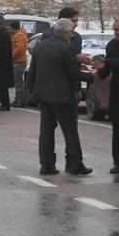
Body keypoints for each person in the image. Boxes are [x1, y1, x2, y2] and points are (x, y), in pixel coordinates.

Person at [26, 18, 92, 176]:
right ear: (65, 32)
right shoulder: (67, 48)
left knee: (46, 131)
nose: (72, 36)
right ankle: (75, 163)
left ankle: (46, 164)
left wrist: (32, 91)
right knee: (70, 131)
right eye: (71, 33)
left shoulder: (40, 46)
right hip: (62, 96)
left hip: (43, 95)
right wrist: (93, 77)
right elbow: (73, 74)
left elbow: (33, 72)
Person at [94, 18, 119, 175]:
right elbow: (107, 68)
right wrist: (95, 75)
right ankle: (118, 163)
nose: (115, 33)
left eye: (117, 30)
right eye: (113, 30)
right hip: (117, 91)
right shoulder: (112, 45)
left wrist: (108, 63)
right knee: (117, 129)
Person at [10, 20, 29, 108]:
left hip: (19, 62)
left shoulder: (19, 35)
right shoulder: (19, 34)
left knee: (18, 83)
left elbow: (19, 48)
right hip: (19, 61)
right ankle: (18, 99)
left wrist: (12, 56)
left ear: (13, 28)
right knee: (18, 82)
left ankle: (20, 101)